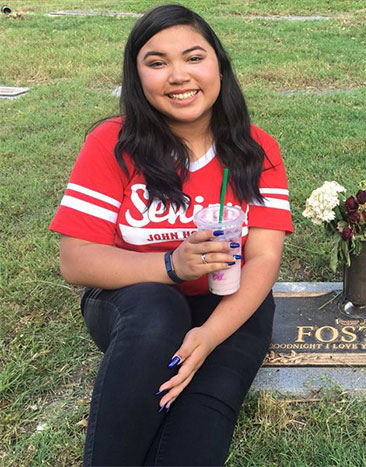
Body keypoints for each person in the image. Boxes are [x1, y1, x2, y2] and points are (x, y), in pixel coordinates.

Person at [49, 5, 293, 465]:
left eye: (193, 58)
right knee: (158, 308)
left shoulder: (256, 148)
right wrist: (170, 265)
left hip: (227, 301)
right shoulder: (113, 143)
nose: (178, 75)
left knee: (203, 414)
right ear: (137, 76)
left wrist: (208, 336)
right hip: (132, 302)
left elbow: (262, 259)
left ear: (218, 64)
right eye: (157, 62)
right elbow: (75, 259)